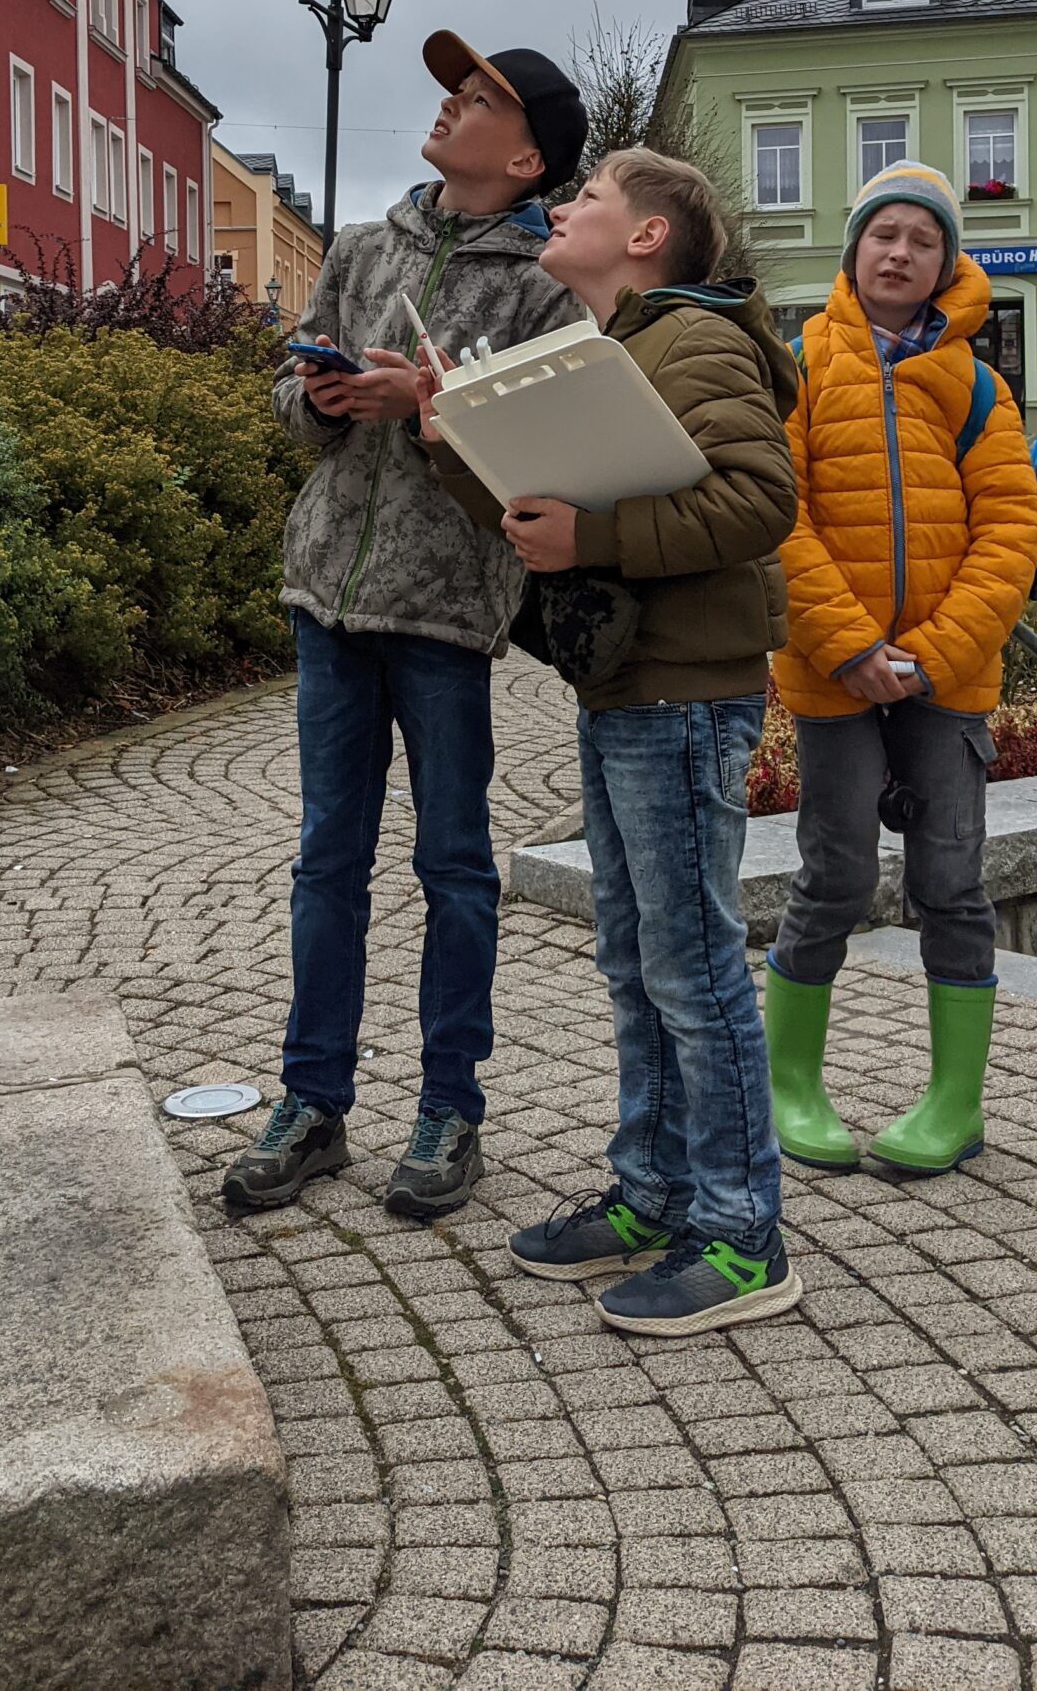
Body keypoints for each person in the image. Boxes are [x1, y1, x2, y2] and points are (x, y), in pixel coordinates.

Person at [419, 148, 804, 1337]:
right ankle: (653, 1197)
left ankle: (743, 1238)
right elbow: (554, 523)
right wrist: (460, 447)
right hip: (627, 686)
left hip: (682, 691)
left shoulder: (697, 343)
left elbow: (757, 500)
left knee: (693, 969)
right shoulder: (616, 350)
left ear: (648, 235)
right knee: (639, 963)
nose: (561, 207)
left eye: (584, 196)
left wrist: (593, 531)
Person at [222, 34, 587, 1217]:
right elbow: (286, 399)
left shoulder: (543, 288)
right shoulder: (366, 245)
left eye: (477, 98)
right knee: (327, 861)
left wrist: (424, 404)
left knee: (454, 866)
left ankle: (449, 1108)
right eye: (451, 87)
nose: (448, 104)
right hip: (327, 591)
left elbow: (537, 455)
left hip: (444, 611)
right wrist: (325, 400)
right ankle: (313, 1101)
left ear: (527, 158)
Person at [763, 162, 1037, 1177]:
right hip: (832, 674)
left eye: (923, 240)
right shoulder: (795, 366)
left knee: (951, 884)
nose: (900, 253)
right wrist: (847, 645)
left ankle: (954, 1103)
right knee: (831, 874)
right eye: (883, 233)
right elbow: (776, 518)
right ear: (853, 250)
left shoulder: (976, 383)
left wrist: (926, 658)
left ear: (946, 261)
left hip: (944, 682)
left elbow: (1012, 530)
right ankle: (790, 1083)